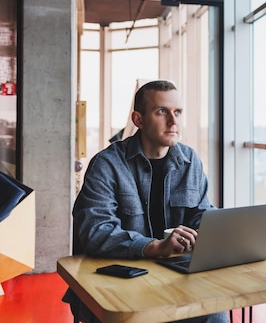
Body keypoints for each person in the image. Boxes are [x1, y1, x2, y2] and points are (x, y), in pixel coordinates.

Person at [64, 80, 227, 323]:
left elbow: (201, 213)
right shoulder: (107, 164)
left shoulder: (190, 160)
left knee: (215, 313)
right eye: (162, 111)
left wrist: (209, 231)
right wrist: (154, 247)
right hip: (119, 280)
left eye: (178, 112)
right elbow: (95, 232)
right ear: (138, 120)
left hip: (174, 275)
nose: (173, 121)